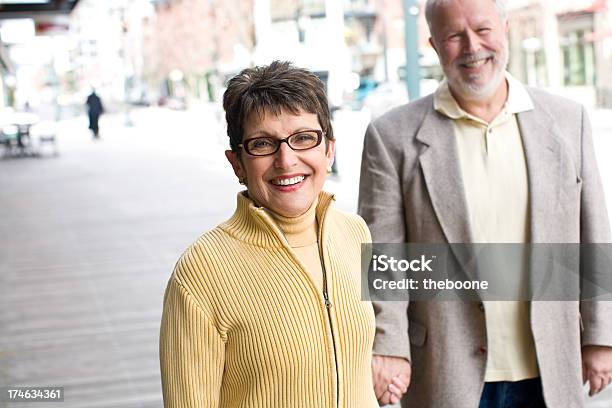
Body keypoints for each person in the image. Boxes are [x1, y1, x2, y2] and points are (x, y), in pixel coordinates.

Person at [357, 0, 612, 407]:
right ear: (435, 46)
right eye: (454, 36)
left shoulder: (567, 121)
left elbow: (592, 233)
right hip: (446, 368)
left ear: (505, 28)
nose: (472, 47)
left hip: (551, 367)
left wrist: (601, 336)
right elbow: (384, 258)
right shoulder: (392, 137)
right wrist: (388, 346)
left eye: (483, 30)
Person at [159, 61, 404, 407]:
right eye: (263, 144)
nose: (286, 160)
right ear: (238, 164)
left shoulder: (353, 232)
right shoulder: (201, 272)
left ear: (329, 150)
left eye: (304, 138)